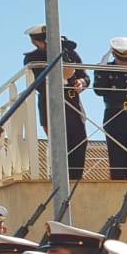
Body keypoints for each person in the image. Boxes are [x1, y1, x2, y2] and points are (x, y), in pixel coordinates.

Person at [23, 24, 90, 180]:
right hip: (50, 105)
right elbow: (39, 84)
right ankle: (61, 182)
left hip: (73, 105)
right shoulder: (33, 58)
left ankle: (76, 180)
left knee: (80, 143)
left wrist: (81, 82)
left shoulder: (70, 53)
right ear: (36, 42)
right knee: (59, 146)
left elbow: (85, 77)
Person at [94, 37, 127, 181]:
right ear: (114, 54)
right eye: (122, 61)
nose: (126, 64)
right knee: (116, 158)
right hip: (114, 116)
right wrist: (101, 70)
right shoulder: (106, 69)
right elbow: (99, 90)